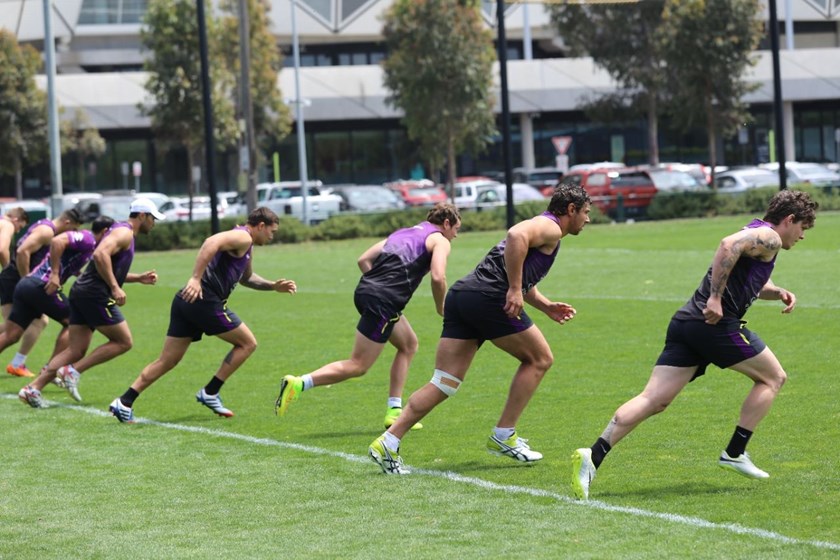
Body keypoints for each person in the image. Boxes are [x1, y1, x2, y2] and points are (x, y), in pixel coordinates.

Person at [570, 189, 818, 500]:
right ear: (789, 219)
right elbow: (728, 245)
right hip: (715, 324)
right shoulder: (770, 237)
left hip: (687, 323)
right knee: (773, 377)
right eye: (803, 227)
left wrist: (778, 291)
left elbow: (752, 280)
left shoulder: (758, 233)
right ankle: (735, 451)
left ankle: (592, 456)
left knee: (654, 400)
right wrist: (715, 298)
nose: (802, 235)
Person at [368, 185, 592, 474]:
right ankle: (504, 435)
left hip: (464, 295)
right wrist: (513, 289)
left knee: (444, 382)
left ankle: (389, 441)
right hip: (490, 298)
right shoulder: (549, 228)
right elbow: (515, 236)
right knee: (540, 359)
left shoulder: (543, 228)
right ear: (571, 209)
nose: (587, 219)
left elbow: (520, 271)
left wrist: (545, 305)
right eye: (585, 212)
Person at [274, 203, 461, 429]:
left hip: (366, 292)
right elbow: (439, 278)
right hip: (384, 301)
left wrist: (377, 285)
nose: (455, 236)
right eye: (455, 230)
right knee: (358, 365)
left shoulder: (402, 233)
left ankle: (394, 411)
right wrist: (441, 307)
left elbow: (363, 260)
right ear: (446, 223)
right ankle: (299, 383)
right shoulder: (439, 239)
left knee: (409, 344)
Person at [108, 207, 297, 423]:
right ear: (261, 226)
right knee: (248, 343)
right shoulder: (242, 236)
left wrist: (273, 286)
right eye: (272, 232)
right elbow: (210, 242)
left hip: (186, 301)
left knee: (167, 360)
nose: (272, 237)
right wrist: (195, 278)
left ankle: (124, 401)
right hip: (204, 301)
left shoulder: (246, 244)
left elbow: (247, 278)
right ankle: (211, 392)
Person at [18, 198, 163, 408]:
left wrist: (137, 278)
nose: (154, 223)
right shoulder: (124, 232)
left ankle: (33, 389)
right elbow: (100, 254)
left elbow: (106, 265)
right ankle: (72, 371)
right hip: (94, 294)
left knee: (75, 350)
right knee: (124, 342)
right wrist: (115, 287)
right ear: (142, 216)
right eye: (153, 218)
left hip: (82, 291)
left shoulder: (121, 231)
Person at [3, 218, 114, 376]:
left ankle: (40, 366)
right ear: (105, 232)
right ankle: (50, 369)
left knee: (11, 335)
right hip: (41, 285)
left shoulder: (92, 248)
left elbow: (77, 264)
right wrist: (55, 274)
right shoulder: (88, 239)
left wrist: (137, 278)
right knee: (74, 322)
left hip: (27, 284)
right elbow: (57, 240)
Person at [0, 209, 84, 377]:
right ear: (67, 223)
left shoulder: (46, 228)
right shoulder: (47, 231)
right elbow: (23, 251)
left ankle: (18, 363)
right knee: (22, 327)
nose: (73, 234)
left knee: (15, 329)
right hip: (17, 279)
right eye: (73, 229)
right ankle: (21, 364)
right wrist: (27, 279)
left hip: (17, 279)